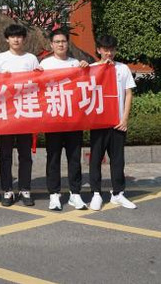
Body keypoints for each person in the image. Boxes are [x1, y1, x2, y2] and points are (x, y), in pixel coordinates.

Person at [39, 28, 90, 211]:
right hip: (53, 118)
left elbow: (86, 84)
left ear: (68, 44)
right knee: (53, 157)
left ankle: (75, 193)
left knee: (74, 157)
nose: (61, 44)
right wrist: (36, 73)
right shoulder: (45, 64)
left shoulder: (75, 63)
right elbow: (37, 87)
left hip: (73, 119)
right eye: (57, 42)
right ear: (51, 45)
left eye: (63, 41)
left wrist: (85, 68)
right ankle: (54, 194)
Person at [0, 24, 39, 207]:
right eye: (12, 37)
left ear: (24, 39)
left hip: (25, 111)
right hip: (6, 112)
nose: (16, 39)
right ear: (7, 39)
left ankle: (25, 189)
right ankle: (7, 190)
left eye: (19, 36)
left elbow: (39, 82)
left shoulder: (31, 59)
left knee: (25, 154)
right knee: (5, 154)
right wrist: (1, 78)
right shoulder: (0, 58)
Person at [88, 35, 138, 210]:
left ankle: (118, 194)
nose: (109, 53)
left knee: (118, 160)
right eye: (105, 50)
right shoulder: (91, 69)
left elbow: (129, 94)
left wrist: (125, 118)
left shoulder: (122, 68)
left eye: (112, 50)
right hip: (98, 123)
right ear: (99, 50)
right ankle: (96, 193)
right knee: (95, 159)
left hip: (117, 122)